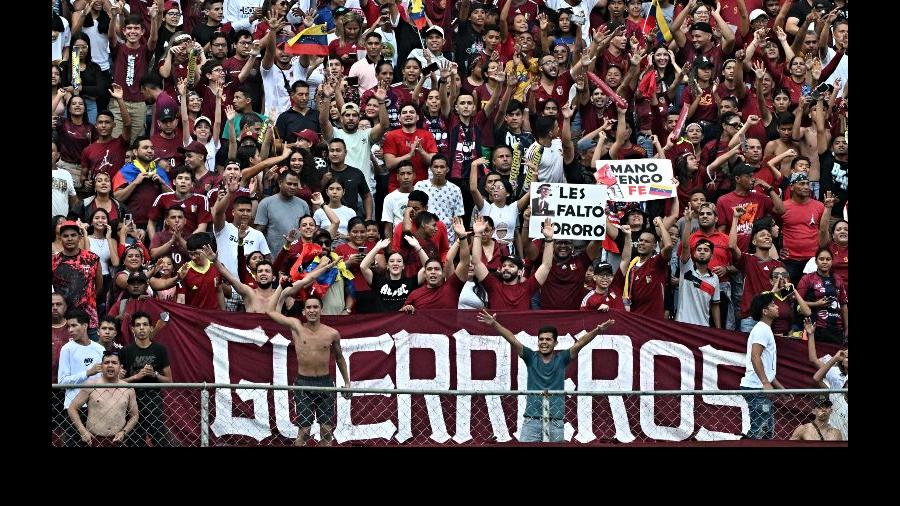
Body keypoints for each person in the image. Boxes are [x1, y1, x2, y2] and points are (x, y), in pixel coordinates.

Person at [476, 309, 615, 442]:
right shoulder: (530, 357)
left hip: (556, 420)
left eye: (548, 339)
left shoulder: (562, 359)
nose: (544, 342)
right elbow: (512, 339)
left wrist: (597, 331)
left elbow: (580, 343)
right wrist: (494, 323)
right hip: (532, 419)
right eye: (541, 339)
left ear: (555, 342)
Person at [266, 291, 352, 447]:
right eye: (309, 307)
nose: (312, 310)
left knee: (326, 431)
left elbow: (339, 358)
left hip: (325, 384)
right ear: (303, 311)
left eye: (315, 307)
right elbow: (270, 311)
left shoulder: (332, 333)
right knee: (304, 431)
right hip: (303, 384)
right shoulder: (296, 326)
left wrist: (347, 382)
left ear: (321, 309)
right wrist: (281, 287)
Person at [472, 216, 554, 310]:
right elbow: (477, 263)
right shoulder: (493, 286)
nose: (506, 268)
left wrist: (549, 239)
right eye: (504, 265)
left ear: (520, 272)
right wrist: (477, 234)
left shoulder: (527, 287)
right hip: (495, 325)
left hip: (521, 325)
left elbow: (546, 266)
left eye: (511, 266)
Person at [121, 311, 174, 447]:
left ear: (151, 327)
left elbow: (170, 381)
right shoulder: (126, 351)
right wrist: (135, 377)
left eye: (145, 324)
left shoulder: (160, 350)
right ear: (132, 329)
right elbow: (118, 382)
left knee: (160, 441)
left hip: (154, 400)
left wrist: (155, 374)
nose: (142, 328)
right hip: (132, 401)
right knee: (134, 442)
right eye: (138, 325)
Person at [67, 350, 139, 447]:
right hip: (93, 440)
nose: (110, 365)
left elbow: (134, 415)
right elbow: (72, 408)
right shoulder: (91, 386)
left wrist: (124, 432)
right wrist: (83, 431)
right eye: (106, 363)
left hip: (117, 441)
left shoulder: (128, 389)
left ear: (120, 366)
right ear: (101, 366)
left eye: (114, 363)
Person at [739, 292, 785, 440]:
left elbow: (766, 367)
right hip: (756, 388)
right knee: (759, 432)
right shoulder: (762, 329)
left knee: (766, 433)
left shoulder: (764, 329)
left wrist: (780, 389)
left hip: (759, 387)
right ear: (765, 311)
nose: (776, 306)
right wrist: (765, 383)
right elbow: (755, 356)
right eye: (772, 305)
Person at [57, 309, 106, 446]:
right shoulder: (67, 349)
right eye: (69, 326)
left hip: (98, 406)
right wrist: (87, 373)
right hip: (75, 409)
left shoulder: (100, 349)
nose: (70, 330)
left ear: (85, 326)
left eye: (74, 325)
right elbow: (62, 382)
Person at [400, 218, 471, 312]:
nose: (433, 272)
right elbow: (400, 317)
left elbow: (465, 263)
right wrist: (406, 309)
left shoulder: (452, 287)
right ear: (424, 274)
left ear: (443, 273)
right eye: (429, 269)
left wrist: (462, 238)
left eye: (437, 269)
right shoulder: (415, 294)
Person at [52, 221, 104, 339]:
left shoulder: (92, 258)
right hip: (63, 320)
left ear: (80, 237)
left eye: (73, 235)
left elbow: (99, 287)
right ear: (60, 238)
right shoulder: (54, 261)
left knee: (91, 355)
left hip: (88, 319)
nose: (69, 239)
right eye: (65, 236)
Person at [677, 207, 721, 328]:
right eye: (699, 250)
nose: (702, 252)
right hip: (682, 325)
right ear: (694, 253)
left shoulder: (714, 278)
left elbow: (715, 305)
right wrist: (688, 222)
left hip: (703, 328)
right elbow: (685, 246)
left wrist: (718, 330)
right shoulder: (687, 269)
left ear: (711, 256)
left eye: (706, 250)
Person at [797, 247, 848, 344]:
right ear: (816, 261)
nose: (825, 262)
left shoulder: (838, 279)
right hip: (817, 328)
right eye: (821, 259)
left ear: (832, 262)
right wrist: (816, 304)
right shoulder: (807, 279)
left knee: (837, 358)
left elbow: (843, 305)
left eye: (828, 259)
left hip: (837, 329)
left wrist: (847, 328)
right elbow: (798, 303)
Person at [255, 170, 312, 253]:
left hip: (299, 258)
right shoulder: (266, 203)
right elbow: (259, 232)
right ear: (280, 183)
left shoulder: (303, 204)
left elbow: (308, 230)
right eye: (289, 183)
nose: (292, 187)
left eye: (295, 184)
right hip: (274, 258)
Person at [176, 233, 226, 310]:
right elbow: (181, 299)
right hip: (194, 317)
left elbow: (219, 291)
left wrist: (223, 312)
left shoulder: (217, 266)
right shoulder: (184, 271)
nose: (193, 257)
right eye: (190, 254)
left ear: (205, 250)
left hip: (213, 317)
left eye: (196, 253)